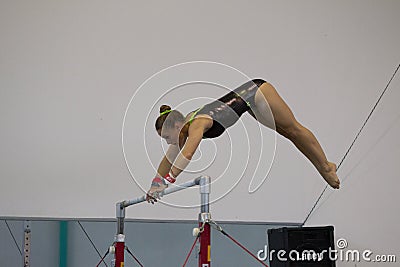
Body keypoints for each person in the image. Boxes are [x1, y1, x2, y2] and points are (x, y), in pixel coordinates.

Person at [146, 79, 340, 203]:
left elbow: (188, 153)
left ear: (177, 125)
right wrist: (155, 185)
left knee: (292, 130)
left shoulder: (196, 124)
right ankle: (325, 165)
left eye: (166, 137)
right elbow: (168, 159)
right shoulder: (183, 128)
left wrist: (168, 181)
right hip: (249, 104)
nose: (168, 142)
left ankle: (325, 166)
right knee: (286, 133)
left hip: (257, 92)